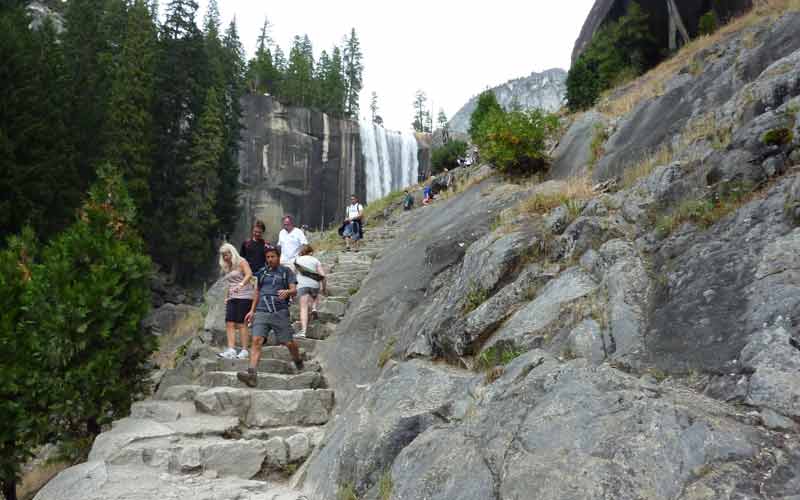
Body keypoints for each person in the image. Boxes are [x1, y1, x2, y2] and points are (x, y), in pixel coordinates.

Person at [238, 245, 304, 388]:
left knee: (288, 343)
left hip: (279, 311)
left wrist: (287, 292)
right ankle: (252, 374)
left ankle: (298, 360)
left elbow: (294, 290)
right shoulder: (262, 273)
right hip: (261, 310)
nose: (270, 259)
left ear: (278, 257)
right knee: (256, 340)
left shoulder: (286, 272)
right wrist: (252, 310)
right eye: (267, 257)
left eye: (272, 256)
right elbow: (257, 292)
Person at [217, 243, 254, 360]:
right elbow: (230, 283)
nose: (225, 257)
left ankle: (244, 350)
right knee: (229, 322)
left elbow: (249, 274)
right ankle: (231, 349)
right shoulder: (227, 266)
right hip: (232, 296)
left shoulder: (241, 261)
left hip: (244, 296)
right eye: (223, 256)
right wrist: (227, 296)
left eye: (226, 254)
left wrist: (241, 284)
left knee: (241, 323)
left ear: (231, 252)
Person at [294, 245, 326, 338]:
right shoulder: (315, 260)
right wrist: (323, 288)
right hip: (314, 284)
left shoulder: (297, 260)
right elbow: (323, 275)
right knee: (314, 296)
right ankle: (314, 308)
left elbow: (293, 274)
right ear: (310, 252)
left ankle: (303, 331)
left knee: (303, 307)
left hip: (302, 285)